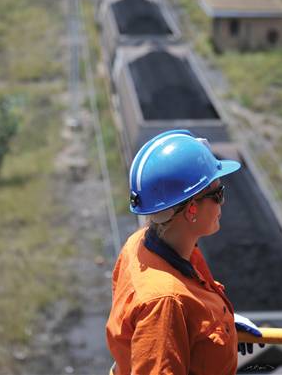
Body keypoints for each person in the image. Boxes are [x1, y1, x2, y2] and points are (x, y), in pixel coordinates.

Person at [106, 129, 262, 375]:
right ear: (191, 209)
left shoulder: (139, 246)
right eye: (217, 194)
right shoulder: (164, 303)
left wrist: (222, 325)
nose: (223, 203)